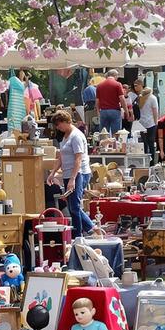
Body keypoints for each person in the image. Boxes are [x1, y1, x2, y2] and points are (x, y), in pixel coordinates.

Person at [47, 110, 95, 238]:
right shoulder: (65, 137)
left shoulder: (76, 136)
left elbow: (78, 159)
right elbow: (61, 157)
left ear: (65, 122)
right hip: (69, 174)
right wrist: (53, 173)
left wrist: (73, 179)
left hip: (79, 173)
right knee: (72, 206)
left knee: (74, 206)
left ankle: (79, 234)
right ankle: (90, 228)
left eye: (58, 124)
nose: (58, 128)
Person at [95, 69, 128, 135]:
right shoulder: (118, 84)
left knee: (104, 133)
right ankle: (115, 144)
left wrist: (98, 112)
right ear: (115, 75)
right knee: (116, 133)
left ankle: (104, 144)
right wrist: (126, 111)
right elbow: (122, 98)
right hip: (115, 110)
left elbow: (97, 101)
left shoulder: (99, 85)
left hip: (103, 111)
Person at [137, 87, 160, 163]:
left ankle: (144, 161)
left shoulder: (140, 98)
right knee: (151, 142)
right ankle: (152, 161)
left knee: (144, 143)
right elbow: (155, 111)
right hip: (151, 123)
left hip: (141, 123)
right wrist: (156, 122)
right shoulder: (153, 98)